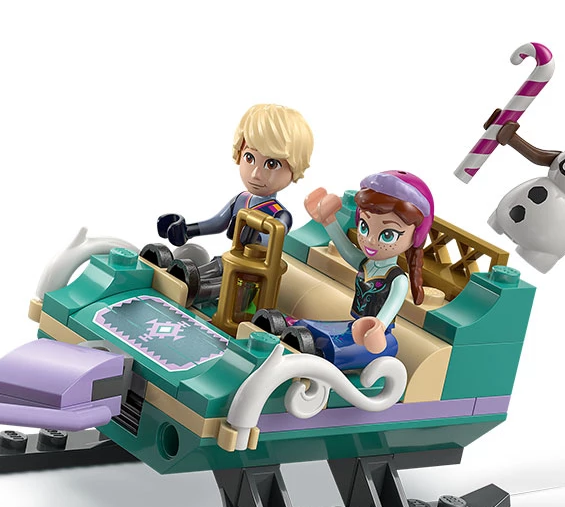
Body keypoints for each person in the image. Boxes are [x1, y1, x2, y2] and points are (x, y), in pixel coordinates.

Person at [260, 170, 433, 370]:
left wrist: (379, 326)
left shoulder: (398, 280)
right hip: (351, 328)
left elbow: (390, 309)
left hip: (376, 340)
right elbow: (345, 248)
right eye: (364, 227)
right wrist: (328, 221)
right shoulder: (366, 264)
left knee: (331, 348)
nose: (370, 240)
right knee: (306, 327)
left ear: (415, 237)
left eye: (388, 235)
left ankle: (313, 361)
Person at [143, 103, 314, 305]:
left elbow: (273, 239)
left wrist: (254, 235)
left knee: (228, 281)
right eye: (249, 157)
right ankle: (177, 278)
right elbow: (217, 223)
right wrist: (187, 230)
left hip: (252, 278)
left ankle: (195, 293)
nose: (256, 174)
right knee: (214, 266)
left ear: (294, 168)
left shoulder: (279, 215)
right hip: (229, 261)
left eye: (271, 164)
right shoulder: (241, 199)